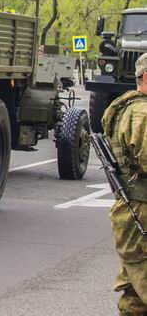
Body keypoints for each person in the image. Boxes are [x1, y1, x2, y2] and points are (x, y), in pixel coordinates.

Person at [102, 52, 147, 315]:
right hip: (141, 207)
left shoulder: (128, 108)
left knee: (135, 289)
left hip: (133, 208)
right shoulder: (141, 113)